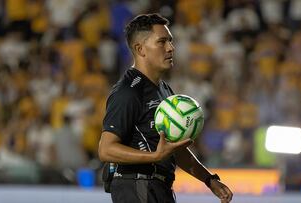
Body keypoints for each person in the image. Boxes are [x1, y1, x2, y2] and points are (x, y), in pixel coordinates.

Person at [98, 13, 233, 203]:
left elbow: (174, 149)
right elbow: (106, 149)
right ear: (140, 49)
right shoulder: (128, 91)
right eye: (162, 42)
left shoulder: (164, 90)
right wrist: (154, 155)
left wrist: (209, 179)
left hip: (158, 188)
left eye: (170, 41)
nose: (171, 48)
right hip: (137, 187)